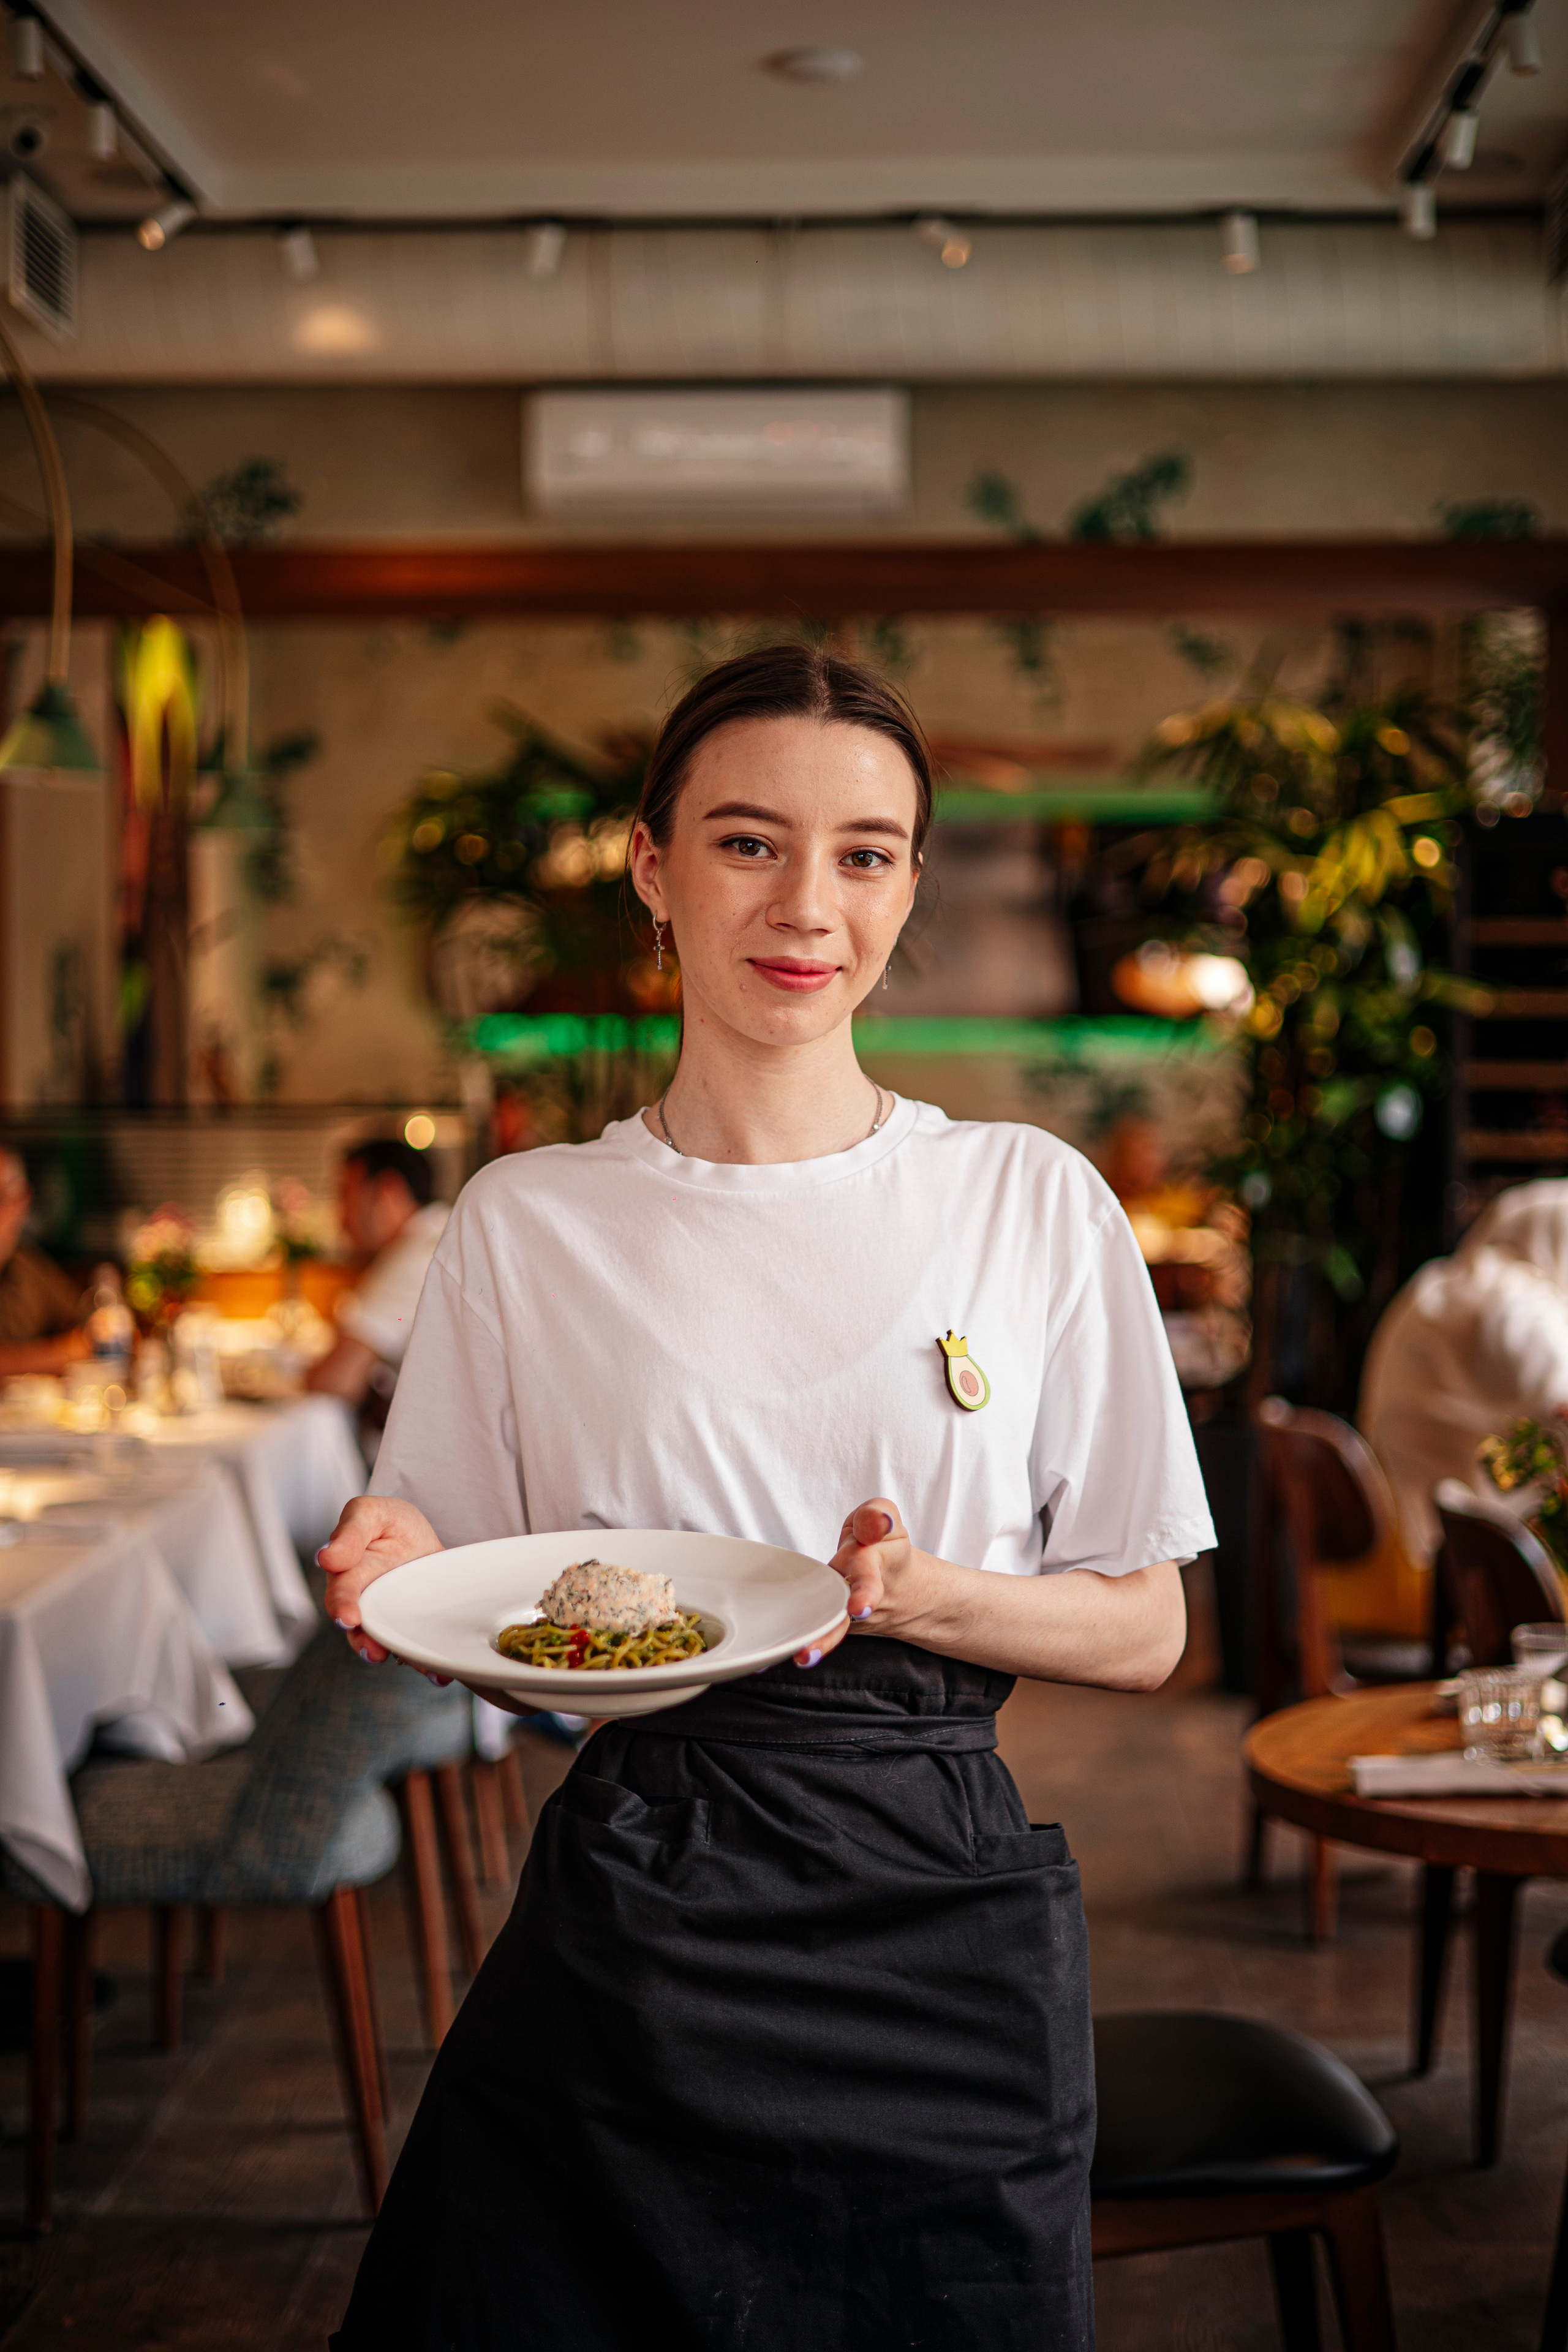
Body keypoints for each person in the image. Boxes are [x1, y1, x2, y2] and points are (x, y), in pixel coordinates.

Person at [320, 646, 1215, 2352]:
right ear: (652, 868)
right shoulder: (526, 1219)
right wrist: (395, 1553)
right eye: (747, 842)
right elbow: (458, 1558)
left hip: (934, 1914)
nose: (808, 903)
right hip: (638, 1906)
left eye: (863, 853)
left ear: (908, 885)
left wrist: (922, 1594)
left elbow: (1146, 1627)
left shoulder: (1027, 1200)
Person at [1360, 1177, 1568, 1566]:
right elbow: (1561, 1416)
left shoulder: (1437, 1285)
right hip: (1443, 1576)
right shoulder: (1518, 1314)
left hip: (1398, 1558)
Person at [305, 1137, 449, 1409]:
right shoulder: (441, 1235)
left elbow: (337, 1380)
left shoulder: (418, 1255)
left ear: (387, 1191)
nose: (341, 1218)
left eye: (345, 1195)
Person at [0, 1148, 89, 1377]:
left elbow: (86, 1333)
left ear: (22, 1201)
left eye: (0, 1198)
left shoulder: (25, 1265)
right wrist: (60, 1355)